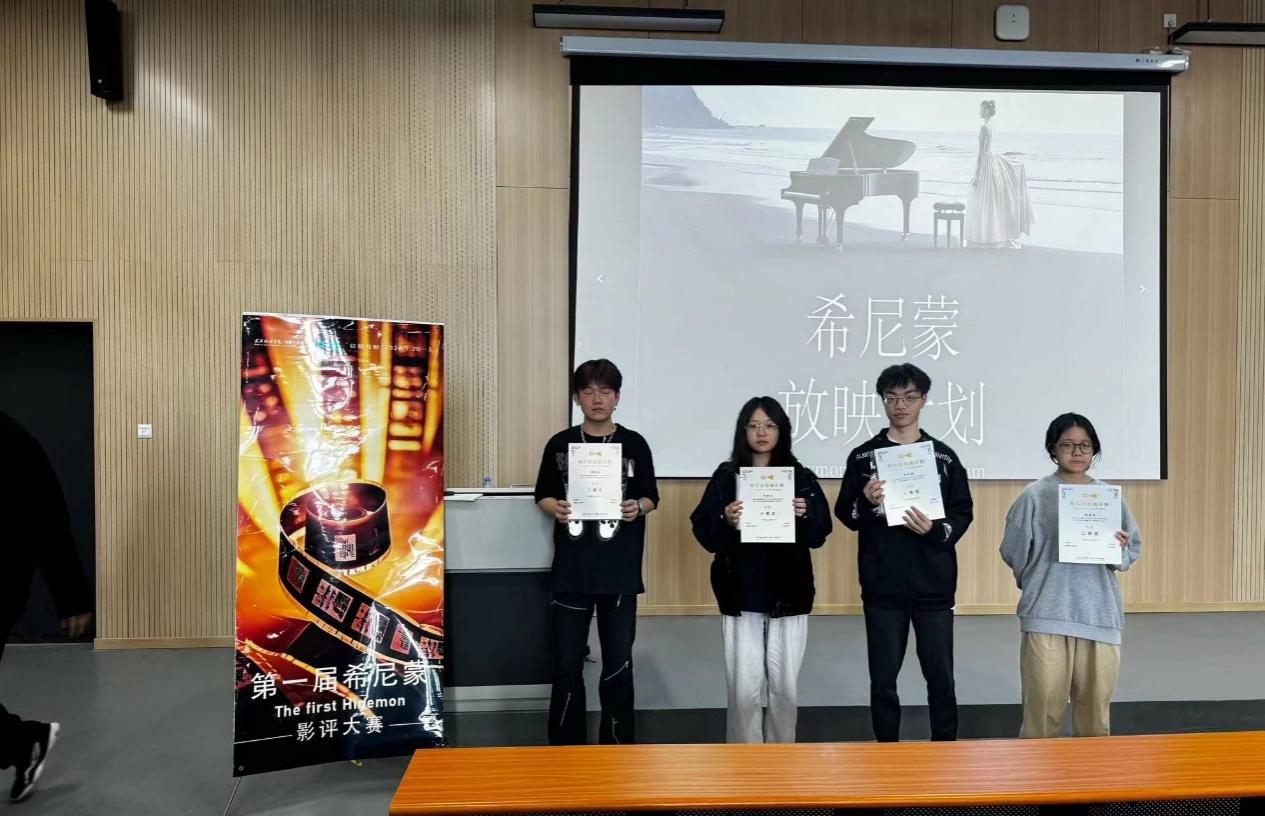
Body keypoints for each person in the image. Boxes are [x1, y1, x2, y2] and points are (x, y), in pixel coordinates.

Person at [834, 364, 973, 742]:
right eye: (892, 398)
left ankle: (945, 752)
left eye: (910, 397)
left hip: (934, 585)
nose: (900, 405)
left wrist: (935, 530)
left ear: (923, 400)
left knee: (941, 677)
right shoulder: (863, 457)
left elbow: (962, 512)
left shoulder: (943, 457)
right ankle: (885, 754)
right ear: (883, 401)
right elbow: (845, 515)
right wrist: (865, 501)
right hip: (882, 586)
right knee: (882, 679)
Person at [689, 397, 832, 743]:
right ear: (743, 432)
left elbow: (820, 533)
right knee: (743, 690)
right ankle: (743, 760)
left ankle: (782, 758)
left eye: (769, 425)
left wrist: (806, 513)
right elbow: (703, 530)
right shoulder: (726, 476)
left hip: (790, 593)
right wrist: (725, 517)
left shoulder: (800, 477)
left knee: (785, 689)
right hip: (741, 592)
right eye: (753, 426)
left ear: (782, 431)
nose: (762, 432)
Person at [533, 359, 658, 745]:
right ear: (577, 397)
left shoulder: (634, 443)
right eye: (588, 391)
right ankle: (565, 747)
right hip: (571, 569)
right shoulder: (560, 444)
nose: (597, 399)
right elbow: (542, 494)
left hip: (618, 570)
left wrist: (637, 507)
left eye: (605, 391)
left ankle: (617, 746)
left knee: (618, 661)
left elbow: (651, 496)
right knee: (566, 663)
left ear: (617, 397)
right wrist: (556, 508)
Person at [1000, 413, 1142, 738]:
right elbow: (1013, 550)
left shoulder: (1108, 498)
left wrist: (1118, 548)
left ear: (1094, 450)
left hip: (1098, 615)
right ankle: (1038, 773)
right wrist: (1037, 581)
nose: (1077, 452)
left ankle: (1091, 774)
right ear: (1053, 448)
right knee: (1041, 717)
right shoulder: (1034, 496)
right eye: (1067, 444)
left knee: (1094, 718)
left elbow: (1130, 550)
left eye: (1085, 445)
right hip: (1047, 614)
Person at [0, 410, 93, 802]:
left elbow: (49, 519)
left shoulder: (11, 439)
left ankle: (23, 741)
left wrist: (72, 597)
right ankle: (23, 741)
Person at [965, 99, 1034, 249]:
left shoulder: (984, 127)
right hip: (991, 160)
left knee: (980, 199)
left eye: (981, 109)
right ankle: (992, 235)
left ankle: (983, 236)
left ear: (986, 111)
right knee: (990, 200)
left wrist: (977, 174)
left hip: (985, 162)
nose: (979, 112)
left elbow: (981, 152)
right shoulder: (992, 125)